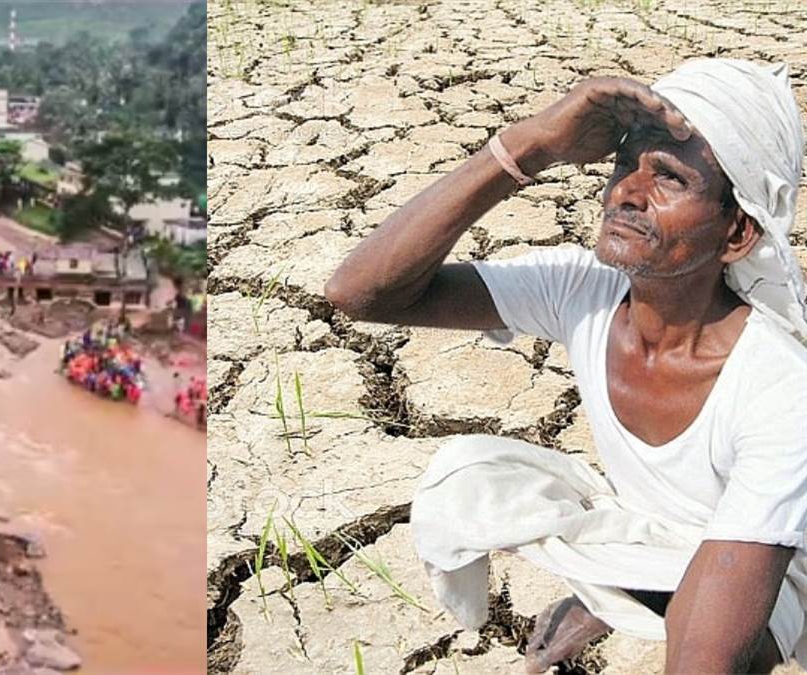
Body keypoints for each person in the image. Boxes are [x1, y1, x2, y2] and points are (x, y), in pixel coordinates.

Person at [326, 60, 807, 673]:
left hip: (775, 563)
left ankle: (643, 592)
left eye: (669, 178)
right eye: (623, 165)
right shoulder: (584, 288)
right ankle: (633, 586)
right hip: (648, 526)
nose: (626, 193)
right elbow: (362, 293)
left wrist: (618, 592)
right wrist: (533, 143)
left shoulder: (781, 389)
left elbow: (704, 660)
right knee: (471, 473)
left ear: (737, 232)